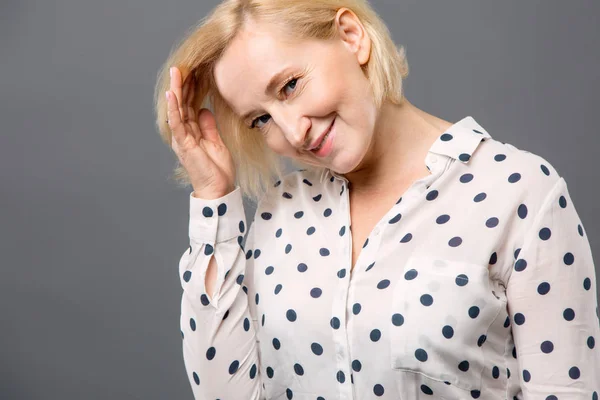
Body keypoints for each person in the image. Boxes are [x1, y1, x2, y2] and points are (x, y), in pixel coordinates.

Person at [153, 1, 600, 399]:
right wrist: (213, 197)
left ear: (352, 37)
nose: (293, 132)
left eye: (289, 86)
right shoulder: (281, 210)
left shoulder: (519, 191)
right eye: (261, 119)